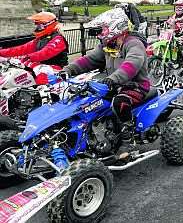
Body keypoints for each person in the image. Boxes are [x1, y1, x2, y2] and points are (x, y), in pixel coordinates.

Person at [61, 8, 150, 153]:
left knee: (119, 102)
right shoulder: (107, 46)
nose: (99, 35)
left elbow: (131, 65)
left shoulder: (133, 43)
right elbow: (89, 60)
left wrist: (112, 79)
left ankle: (128, 139)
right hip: (113, 84)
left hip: (135, 86)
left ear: (115, 27)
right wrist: (68, 70)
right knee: (87, 101)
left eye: (102, 30)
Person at [0, 12, 69, 68]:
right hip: (43, 66)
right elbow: (22, 49)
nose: (38, 28)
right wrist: (1, 52)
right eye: (37, 25)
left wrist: (26, 57)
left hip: (56, 70)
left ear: (49, 24)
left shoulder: (58, 39)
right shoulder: (40, 39)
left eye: (40, 26)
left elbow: (44, 53)